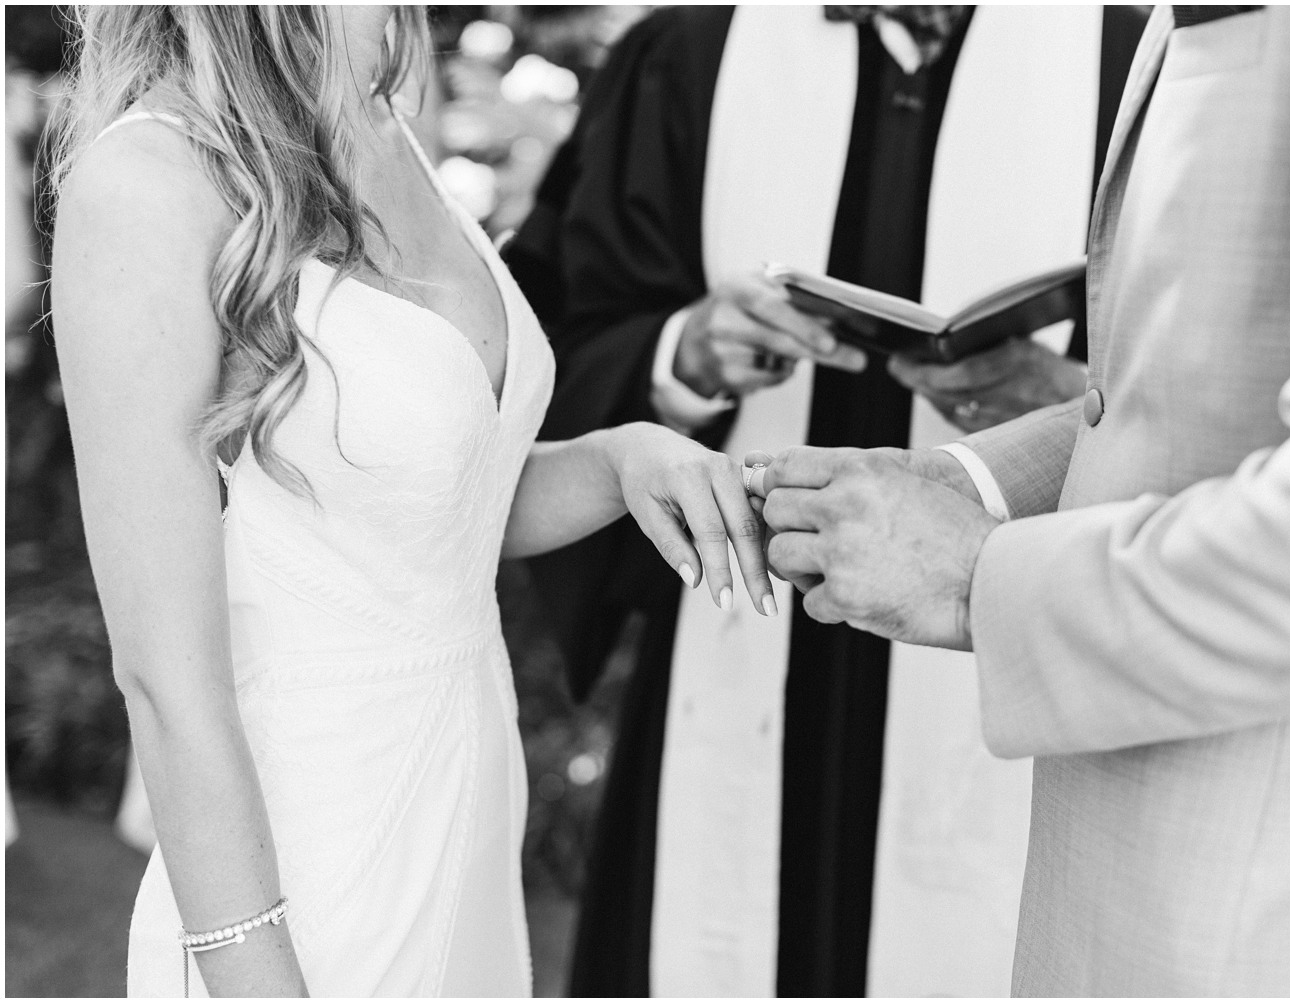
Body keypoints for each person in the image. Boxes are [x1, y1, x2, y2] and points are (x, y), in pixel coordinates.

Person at [753, 5, 1290, 994]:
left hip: (1288, 920)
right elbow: (1191, 395)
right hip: (1140, 893)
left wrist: (976, 577)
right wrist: (961, 482)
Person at [46, 7, 771, 996]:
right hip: (302, 867)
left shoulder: (383, 115)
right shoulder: (150, 183)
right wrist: (259, 975)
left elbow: (423, 517)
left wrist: (614, 457)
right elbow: (166, 684)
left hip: (466, 813)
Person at [507, 5, 1147, 995]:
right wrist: (682, 354)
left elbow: (1207, 393)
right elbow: (547, 358)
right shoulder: (690, 54)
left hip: (989, 633)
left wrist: (1058, 406)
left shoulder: (1125, 60)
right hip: (735, 632)